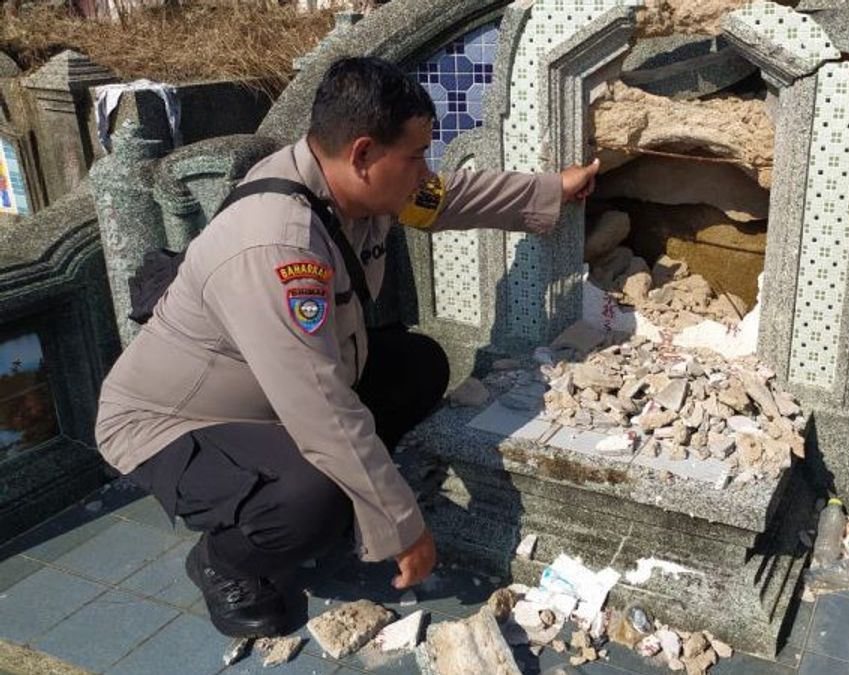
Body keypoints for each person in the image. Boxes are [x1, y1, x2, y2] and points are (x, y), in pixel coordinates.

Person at [93, 56, 600, 638]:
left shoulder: (353, 187)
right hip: (176, 419)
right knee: (311, 498)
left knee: (419, 364)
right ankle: (224, 561)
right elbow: (320, 407)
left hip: (275, 390)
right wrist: (402, 525)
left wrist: (550, 191)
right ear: (362, 154)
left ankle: (330, 482)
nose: (424, 170)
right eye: (414, 156)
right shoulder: (279, 246)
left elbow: (446, 198)